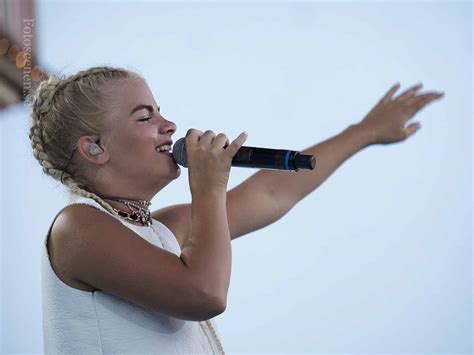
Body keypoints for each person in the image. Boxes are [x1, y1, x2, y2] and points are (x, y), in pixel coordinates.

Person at [29, 66, 444, 354]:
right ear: (94, 147)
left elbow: (270, 195)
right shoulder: (77, 226)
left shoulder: (159, 230)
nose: (169, 126)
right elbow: (204, 293)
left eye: (161, 111)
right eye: (145, 117)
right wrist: (209, 185)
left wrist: (365, 131)